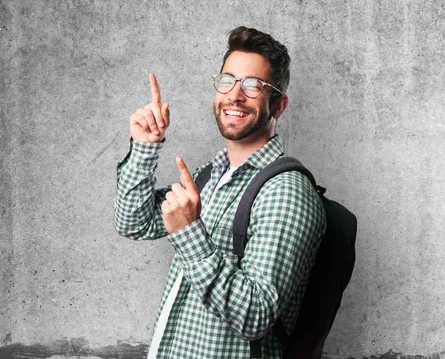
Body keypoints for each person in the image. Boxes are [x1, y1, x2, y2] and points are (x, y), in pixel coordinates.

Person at [114, 26, 326, 359]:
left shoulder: (286, 192)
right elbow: (133, 223)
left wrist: (188, 232)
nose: (235, 95)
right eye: (227, 80)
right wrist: (144, 146)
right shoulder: (207, 176)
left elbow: (255, 315)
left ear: (279, 105)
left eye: (253, 85)